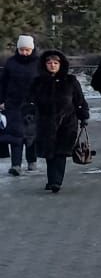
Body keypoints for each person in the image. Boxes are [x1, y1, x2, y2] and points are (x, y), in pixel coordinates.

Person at [25, 50, 90, 193]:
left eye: (55, 63)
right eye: (49, 63)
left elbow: (79, 101)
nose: (52, 65)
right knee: (50, 153)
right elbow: (29, 101)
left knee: (61, 152)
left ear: (61, 64)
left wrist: (83, 116)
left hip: (67, 123)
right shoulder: (38, 82)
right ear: (44, 64)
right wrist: (29, 114)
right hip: (45, 123)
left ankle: (56, 181)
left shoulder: (70, 81)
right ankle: (51, 179)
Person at [1, 35, 40, 175]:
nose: (24, 52)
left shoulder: (38, 63)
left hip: (33, 105)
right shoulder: (11, 63)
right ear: (18, 49)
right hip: (14, 104)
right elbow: (3, 83)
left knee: (31, 134)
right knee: (15, 135)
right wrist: (1, 100)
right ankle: (16, 165)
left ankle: (32, 161)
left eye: (27, 50)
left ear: (32, 49)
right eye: (22, 49)